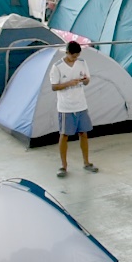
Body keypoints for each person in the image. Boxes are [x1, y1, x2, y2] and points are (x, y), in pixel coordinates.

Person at [49, 41, 98, 178]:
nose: (75, 59)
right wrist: (68, 83)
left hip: (81, 104)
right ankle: (63, 166)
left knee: (84, 133)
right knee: (64, 135)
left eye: (76, 56)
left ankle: (86, 162)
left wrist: (84, 80)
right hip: (66, 106)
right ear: (67, 53)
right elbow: (54, 87)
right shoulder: (57, 67)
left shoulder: (82, 62)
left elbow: (87, 81)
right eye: (72, 56)